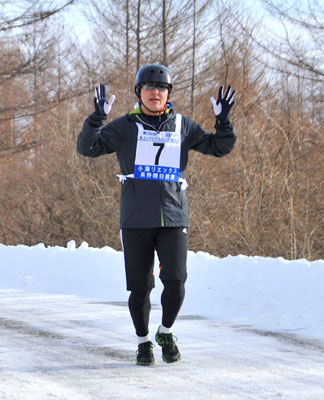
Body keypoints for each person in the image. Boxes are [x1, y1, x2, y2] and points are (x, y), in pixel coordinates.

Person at [76, 63, 236, 365]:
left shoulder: (181, 125)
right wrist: (96, 118)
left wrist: (224, 123)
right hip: (135, 219)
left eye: (161, 88)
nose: (155, 92)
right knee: (140, 287)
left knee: (176, 281)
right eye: (148, 87)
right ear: (139, 93)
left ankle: (166, 331)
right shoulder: (124, 127)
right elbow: (88, 147)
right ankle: (143, 342)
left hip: (173, 217)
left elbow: (218, 147)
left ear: (168, 94)